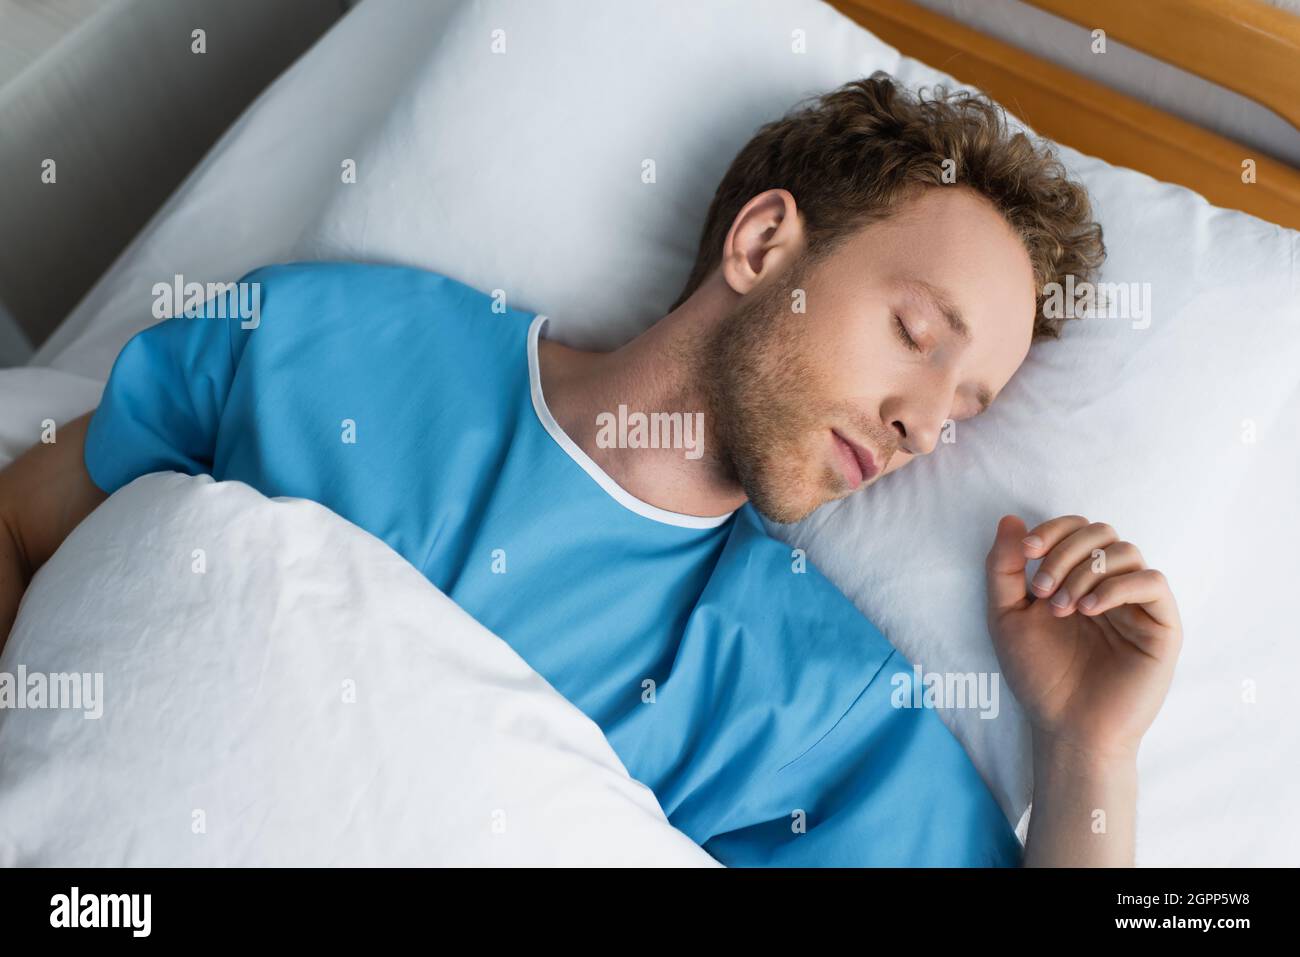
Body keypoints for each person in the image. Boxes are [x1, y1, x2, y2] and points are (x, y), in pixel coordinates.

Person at [0, 75, 1181, 866]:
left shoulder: (811, 699)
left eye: (965, 412)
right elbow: (20, 527)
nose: (924, 426)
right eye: (917, 338)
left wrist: (1088, 749)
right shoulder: (327, 342)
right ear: (764, 245)